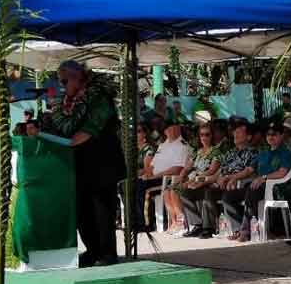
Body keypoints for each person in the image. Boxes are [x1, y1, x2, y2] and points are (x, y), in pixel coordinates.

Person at [46, 60, 126, 267]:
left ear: (76, 77)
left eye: (64, 81)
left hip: (102, 162)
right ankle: (92, 250)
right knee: (82, 210)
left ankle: (107, 253)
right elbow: (65, 127)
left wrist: (69, 141)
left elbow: (87, 131)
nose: (62, 86)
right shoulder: (70, 101)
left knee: (101, 209)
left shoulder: (98, 97)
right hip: (80, 162)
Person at [222, 123, 291, 242]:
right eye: (268, 134)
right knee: (228, 196)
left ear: (281, 135)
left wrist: (264, 177)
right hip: (258, 186)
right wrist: (232, 177)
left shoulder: (285, 153)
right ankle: (237, 229)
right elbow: (248, 170)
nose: (270, 137)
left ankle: (246, 231)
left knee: (251, 190)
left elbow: (283, 173)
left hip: (276, 188)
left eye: (274, 134)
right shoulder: (263, 153)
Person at [137, 119, 189, 232]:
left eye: (174, 127)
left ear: (179, 129)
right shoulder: (162, 146)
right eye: (168, 128)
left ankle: (146, 224)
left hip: (166, 179)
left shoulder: (182, 145)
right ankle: (135, 220)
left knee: (143, 188)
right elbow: (152, 165)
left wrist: (154, 176)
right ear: (165, 131)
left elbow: (177, 168)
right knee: (133, 185)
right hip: (154, 178)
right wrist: (148, 174)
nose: (171, 130)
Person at [210, 124, 258, 239]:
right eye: (234, 132)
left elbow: (248, 172)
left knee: (228, 196)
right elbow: (221, 170)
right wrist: (220, 178)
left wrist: (231, 178)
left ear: (248, 137)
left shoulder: (252, 152)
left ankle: (238, 230)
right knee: (207, 193)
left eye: (239, 132)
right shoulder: (230, 153)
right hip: (225, 183)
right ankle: (216, 228)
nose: (235, 135)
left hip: (240, 183)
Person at [176, 123, 223, 238]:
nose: (204, 137)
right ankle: (197, 224)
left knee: (206, 192)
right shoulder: (197, 152)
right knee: (182, 192)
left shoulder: (216, 152)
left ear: (212, 136)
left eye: (207, 134)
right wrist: (181, 177)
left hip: (208, 182)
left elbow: (212, 171)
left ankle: (208, 227)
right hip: (195, 181)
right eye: (202, 135)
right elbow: (187, 167)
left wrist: (196, 179)